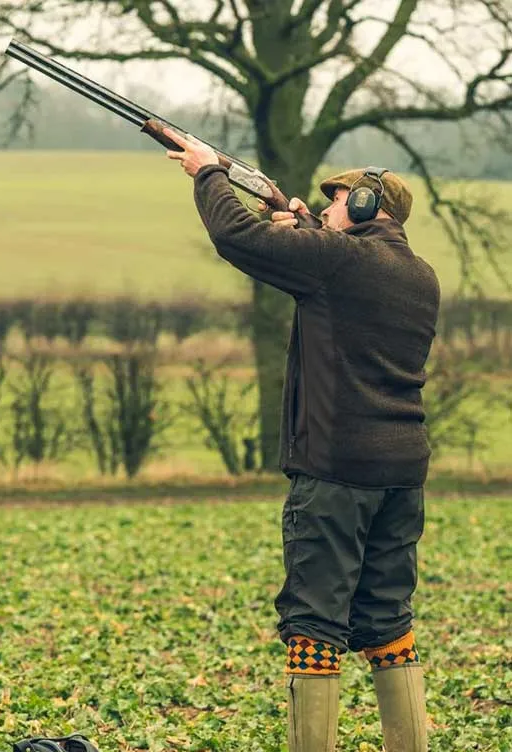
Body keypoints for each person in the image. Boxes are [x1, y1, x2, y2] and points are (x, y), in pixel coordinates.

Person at [163, 128, 440, 752]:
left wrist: (209, 174)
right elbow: (331, 270)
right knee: (388, 621)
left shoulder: (338, 262)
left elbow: (237, 238)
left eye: (337, 199)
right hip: (402, 473)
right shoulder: (420, 274)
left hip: (337, 470)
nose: (327, 207)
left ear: (368, 208)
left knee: (315, 624)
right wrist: (299, 222)